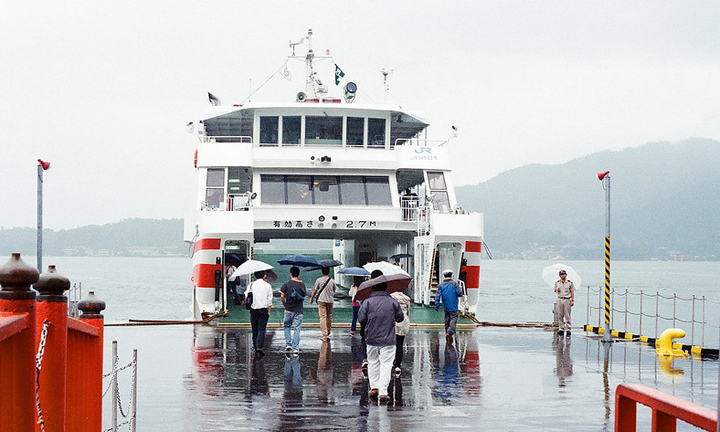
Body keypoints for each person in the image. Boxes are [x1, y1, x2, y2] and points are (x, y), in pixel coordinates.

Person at [358, 269, 404, 404]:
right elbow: (400, 318)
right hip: (388, 339)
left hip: (371, 338)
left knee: (372, 363)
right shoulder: (393, 301)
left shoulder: (367, 302)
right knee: (386, 364)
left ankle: (374, 388)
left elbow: (361, 318)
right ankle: (383, 392)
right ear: (386, 287)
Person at [280, 266, 306, 356]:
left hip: (288, 309)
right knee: (297, 328)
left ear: (290, 274)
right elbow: (304, 297)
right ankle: (295, 348)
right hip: (299, 310)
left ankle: (288, 344)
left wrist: (284, 304)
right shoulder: (302, 284)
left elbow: (282, 296)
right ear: (298, 274)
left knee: (287, 326)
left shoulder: (287, 284)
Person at [247, 270, 273, 359]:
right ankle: (259, 346)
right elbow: (269, 300)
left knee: (254, 328)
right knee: (262, 329)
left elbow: (246, 296)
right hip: (263, 310)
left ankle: (255, 346)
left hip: (253, 309)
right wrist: (269, 310)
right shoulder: (268, 286)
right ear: (264, 276)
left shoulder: (251, 285)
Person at [435, 269, 463, 344]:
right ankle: (449, 332)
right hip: (453, 305)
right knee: (453, 318)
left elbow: (437, 296)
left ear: (444, 276)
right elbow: (460, 293)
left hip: (446, 305)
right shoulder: (454, 284)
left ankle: (447, 332)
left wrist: (437, 305)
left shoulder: (440, 285)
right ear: (451, 275)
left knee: (447, 319)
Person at [310, 267, 336, 341]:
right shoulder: (332, 281)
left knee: (323, 316)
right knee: (329, 316)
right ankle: (328, 331)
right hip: (330, 300)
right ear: (328, 272)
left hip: (321, 300)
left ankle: (324, 333)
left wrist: (311, 299)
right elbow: (334, 290)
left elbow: (315, 290)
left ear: (322, 272)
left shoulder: (319, 280)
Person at [390, 290, 410, 375]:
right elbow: (408, 312)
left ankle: (391, 362)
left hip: (393, 322)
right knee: (400, 344)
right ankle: (398, 365)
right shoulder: (406, 299)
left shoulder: (391, 297)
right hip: (403, 322)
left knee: (391, 345)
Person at [554, 269, 575, 336]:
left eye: (563, 274)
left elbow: (572, 292)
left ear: (566, 275)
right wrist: (556, 289)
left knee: (567, 314)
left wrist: (572, 300)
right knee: (560, 314)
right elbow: (554, 290)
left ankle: (568, 328)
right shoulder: (557, 283)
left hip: (567, 299)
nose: (562, 276)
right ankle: (561, 328)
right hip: (560, 299)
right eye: (561, 274)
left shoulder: (569, 283)